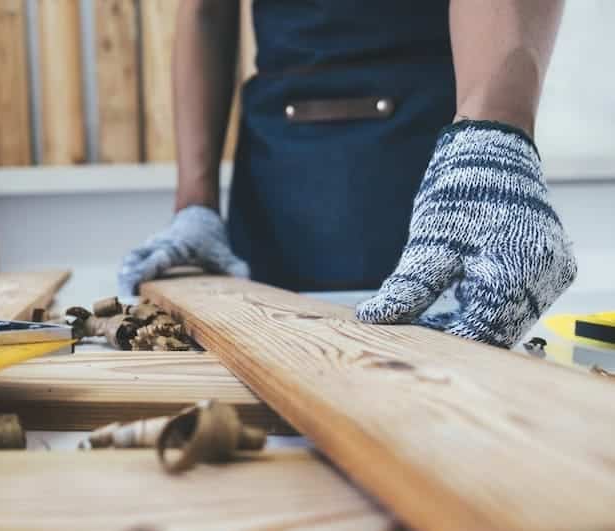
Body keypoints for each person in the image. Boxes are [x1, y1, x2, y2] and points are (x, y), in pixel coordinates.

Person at [117, 0, 576, 348]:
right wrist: (195, 208)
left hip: (436, 177)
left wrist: (493, 143)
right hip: (276, 187)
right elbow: (206, 11)